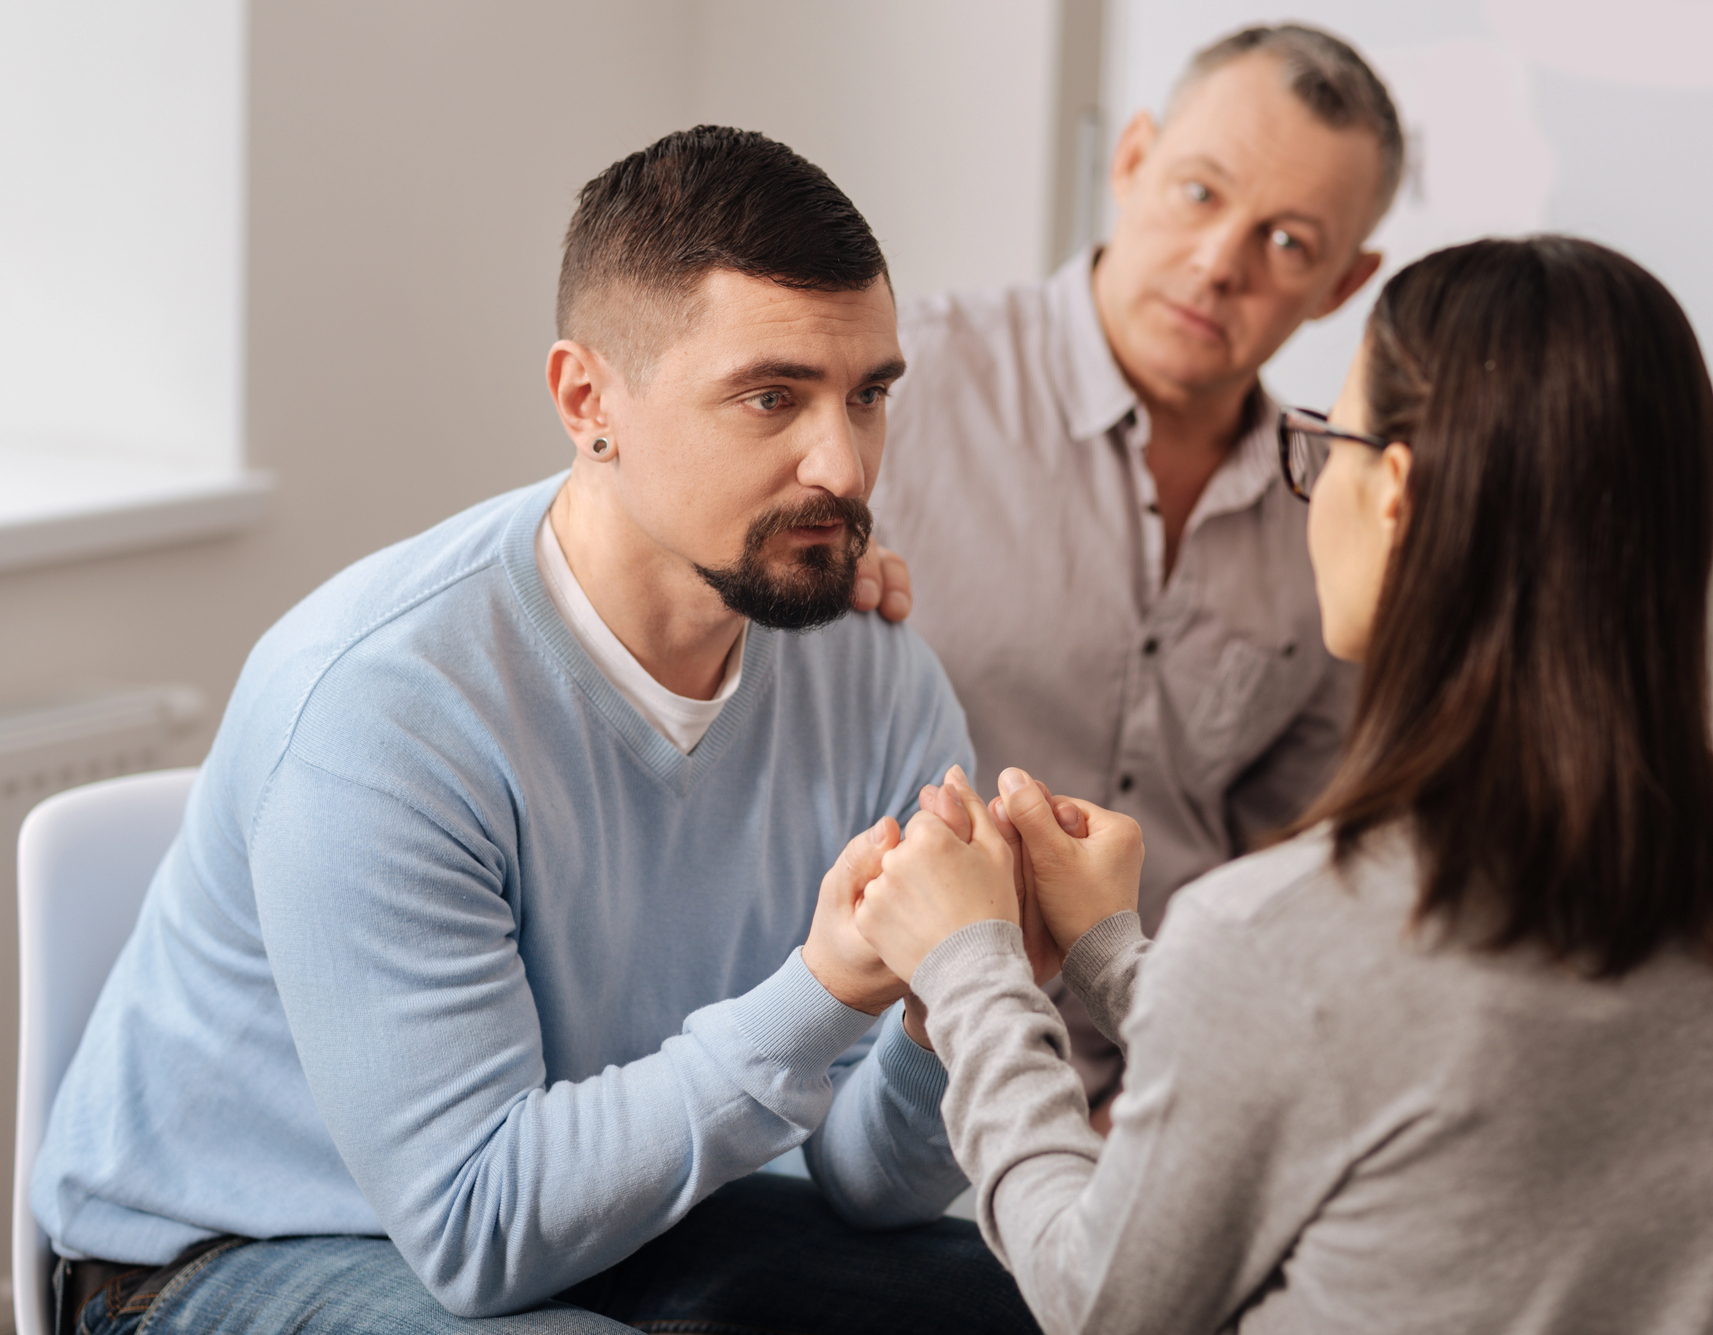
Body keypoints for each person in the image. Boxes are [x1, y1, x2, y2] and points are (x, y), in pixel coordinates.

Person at [32, 127, 1034, 1335]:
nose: (843, 463)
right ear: (586, 400)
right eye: (771, 397)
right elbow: (474, 1228)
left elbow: (870, 1191)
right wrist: (824, 988)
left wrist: (945, 1003)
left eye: (866, 395)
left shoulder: (876, 679)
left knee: (1042, 1300)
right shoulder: (384, 706)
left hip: (606, 1209)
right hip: (230, 1246)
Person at [854, 236, 1713, 1332]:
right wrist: (1108, 952)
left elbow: (1094, 1302)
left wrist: (972, 973)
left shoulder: (1280, 930)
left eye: (1325, 444)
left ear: (1393, 491)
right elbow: (1388, 1074)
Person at [868, 24, 1401, 1108]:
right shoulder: (895, 395)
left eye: (1288, 243)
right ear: (1131, 160)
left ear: (1344, 283)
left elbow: (1287, 862)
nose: (1219, 265)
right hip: (891, 1078)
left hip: (1158, 1091)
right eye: (1198, 193)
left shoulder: (1334, 509)